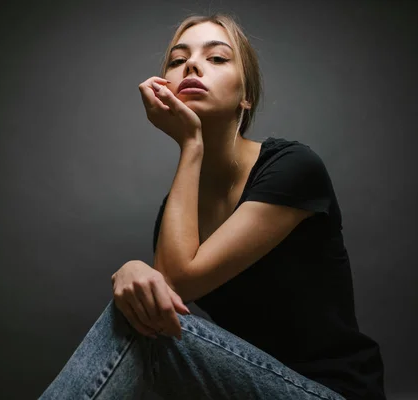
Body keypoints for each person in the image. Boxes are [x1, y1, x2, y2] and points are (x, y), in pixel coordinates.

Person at [39, 13, 386, 400]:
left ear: (245, 95)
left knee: (144, 328)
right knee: (142, 314)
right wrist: (131, 271)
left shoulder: (292, 167)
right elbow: (163, 296)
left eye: (217, 58)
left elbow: (176, 283)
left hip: (328, 393)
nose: (191, 64)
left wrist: (190, 144)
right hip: (246, 386)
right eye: (177, 60)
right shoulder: (176, 210)